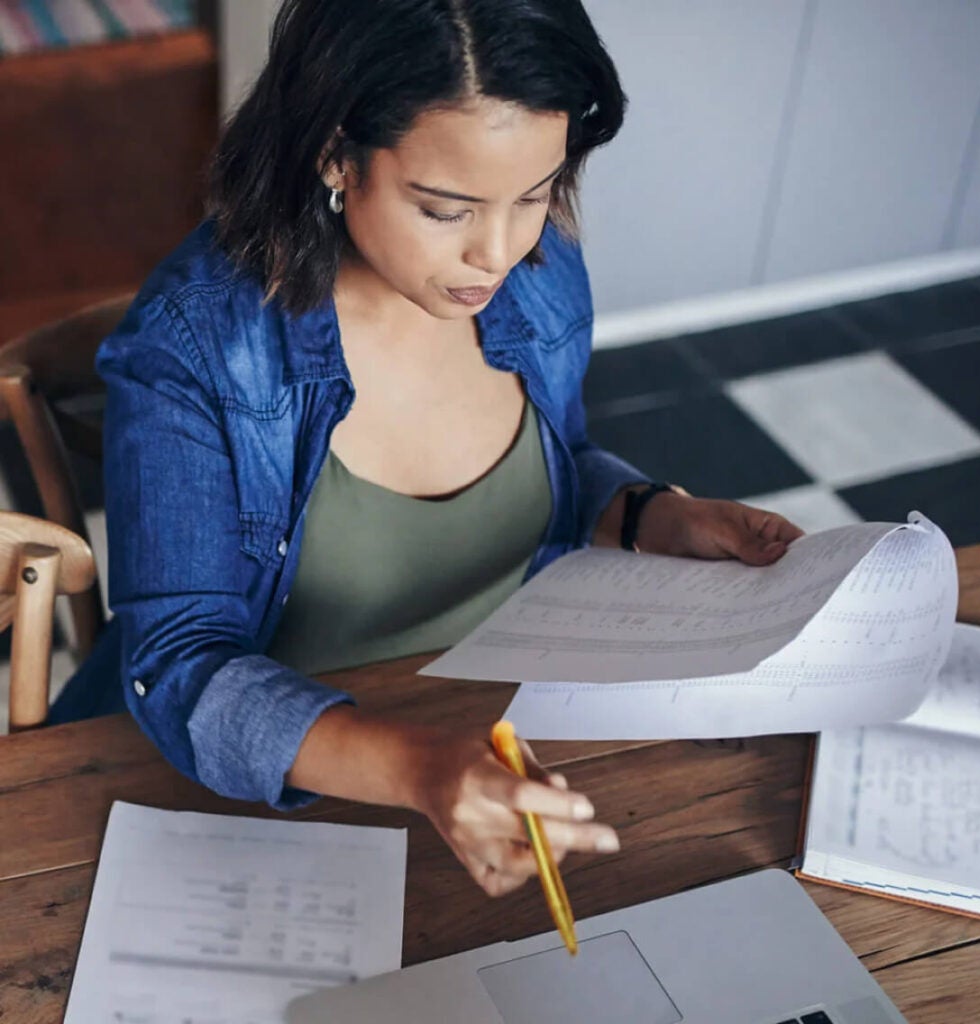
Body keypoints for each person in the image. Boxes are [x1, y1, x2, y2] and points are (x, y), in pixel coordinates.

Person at [54, 0, 802, 898]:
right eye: (446, 209)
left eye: (534, 193)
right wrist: (420, 772)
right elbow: (180, 666)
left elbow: (549, 469)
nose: (498, 251)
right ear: (335, 150)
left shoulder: (538, 274)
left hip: (497, 747)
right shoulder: (198, 344)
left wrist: (649, 514)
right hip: (266, 799)